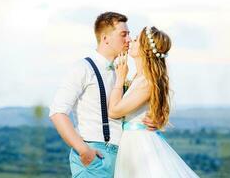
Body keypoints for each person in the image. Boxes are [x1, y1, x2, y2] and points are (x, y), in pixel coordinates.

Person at [49, 12, 156, 178]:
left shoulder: (120, 73)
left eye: (129, 34)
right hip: (96, 157)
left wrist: (148, 121)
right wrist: (84, 151)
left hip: (124, 157)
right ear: (106, 39)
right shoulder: (83, 68)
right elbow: (57, 112)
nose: (129, 39)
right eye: (123, 34)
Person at [108, 26, 200, 178]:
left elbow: (114, 111)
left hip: (140, 145)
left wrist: (119, 79)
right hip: (131, 143)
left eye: (136, 39)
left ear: (145, 49)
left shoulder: (147, 82)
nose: (131, 41)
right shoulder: (139, 78)